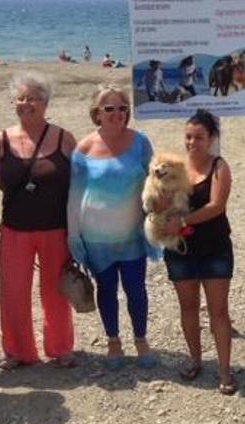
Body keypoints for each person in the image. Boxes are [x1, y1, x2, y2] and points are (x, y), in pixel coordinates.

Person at [68, 85, 158, 370]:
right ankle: (113, 341)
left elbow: (154, 184)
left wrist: (160, 219)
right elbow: (74, 197)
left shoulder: (141, 143)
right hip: (95, 238)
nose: (117, 114)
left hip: (132, 235)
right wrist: (73, 236)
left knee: (136, 289)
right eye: (109, 109)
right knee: (106, 289)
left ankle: (141, 340)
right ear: (97, 113)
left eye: (122, 108)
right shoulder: (83, 148)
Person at [0, 72, 78, 369]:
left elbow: (78, 180)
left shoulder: (63, 138)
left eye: (34, 98)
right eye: (21, 98)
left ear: (45, 103)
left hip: (55, 228)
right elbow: (1, 181)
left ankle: (60, 348)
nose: (26, 103)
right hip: (15, 228)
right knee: (13, 292)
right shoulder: (1, 140)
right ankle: (18, 351)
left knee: (56, 292)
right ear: (14, 102)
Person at [158, 110, 236, 394]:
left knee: (219, 311)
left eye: (199, 137)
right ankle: (195, 360)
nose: (193, 142)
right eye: (188, 137)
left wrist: (183, 221)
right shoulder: (174, 167)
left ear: (212, 139)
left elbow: (217, 206)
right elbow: (159, 198)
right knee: (188, 308)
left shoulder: (219, 166)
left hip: (214, 249)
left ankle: (225, 369)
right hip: (180, 249)